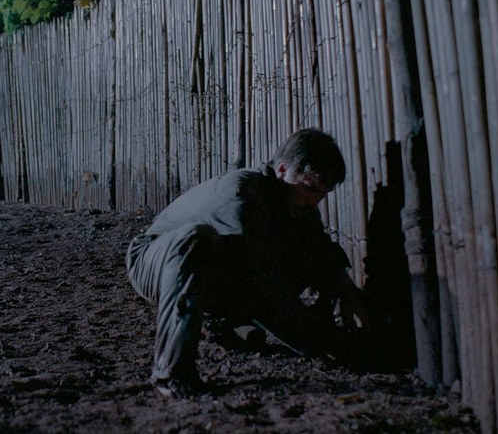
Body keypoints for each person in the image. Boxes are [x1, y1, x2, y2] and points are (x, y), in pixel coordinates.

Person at [125, 128, 368, 397]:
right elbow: (261, 287)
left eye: (322, 193)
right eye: (309, 188)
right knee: (197, 240)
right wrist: (323, 344)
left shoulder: (296, 202)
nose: (314, 201)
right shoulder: (241, 196)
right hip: (152, 259)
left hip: (207, 267)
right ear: (282, 170)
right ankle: (171, 374)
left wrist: (347, 292)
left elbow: (322, 252)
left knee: (304, 255)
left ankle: (220, 321)